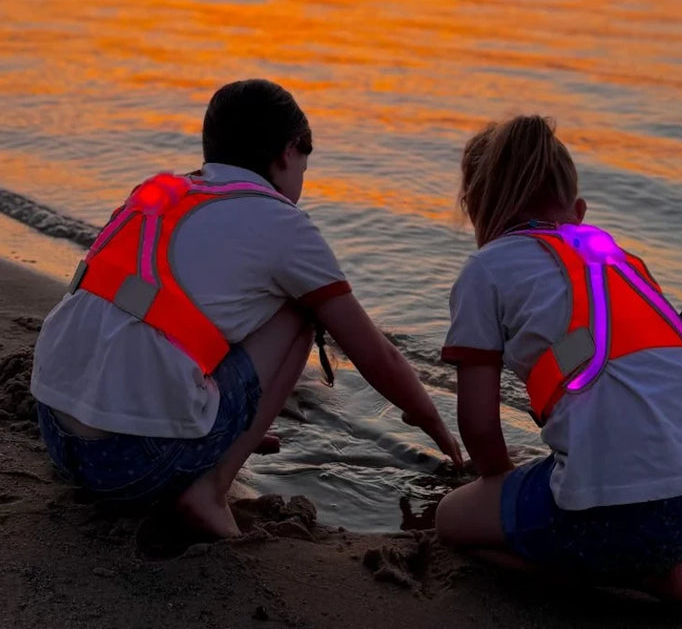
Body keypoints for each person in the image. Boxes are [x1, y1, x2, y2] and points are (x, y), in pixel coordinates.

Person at [31, 78, 461, 538]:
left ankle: (212, 436)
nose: (300, 182)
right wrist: (436, 426)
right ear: (289, 151)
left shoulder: (158, 194)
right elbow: (375, 353)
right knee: (304, 308)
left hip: (57, 434)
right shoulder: (280, 221)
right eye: (303, 166)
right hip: (135, 463)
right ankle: (210, 488)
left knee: (177, 313)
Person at [434, 115, 682, 620]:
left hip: (609, 519)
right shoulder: (624, 263)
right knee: (631, 480)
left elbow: (478, 424)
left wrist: (496, 489)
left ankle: (624, 580)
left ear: (477, 211)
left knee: (452, 520)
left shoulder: (486, 270)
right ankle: (674, 573)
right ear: (579, 213)